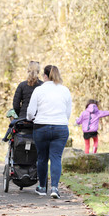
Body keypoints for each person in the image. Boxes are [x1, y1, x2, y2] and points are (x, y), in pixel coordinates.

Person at [26, 65, 72, 199]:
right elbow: (67, 112)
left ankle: (41, 187)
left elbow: (30, 112)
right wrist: (61, 121)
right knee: (56, 158)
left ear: (45, 76)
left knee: (42, 158)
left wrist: (31, 119)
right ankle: (55, 188)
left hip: (41, 127)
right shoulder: (65, 90)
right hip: (61, 127)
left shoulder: (39, 90)